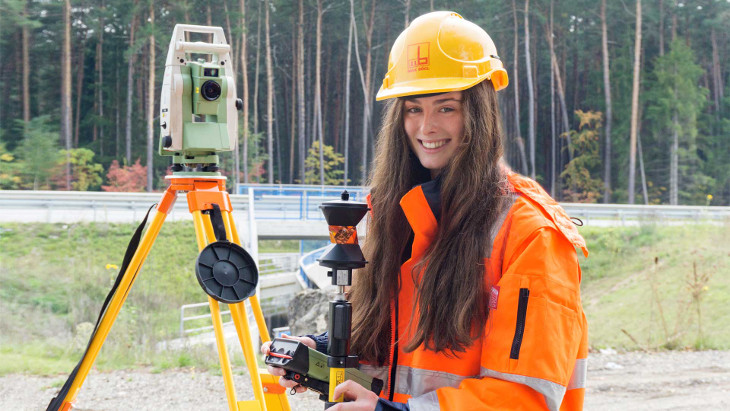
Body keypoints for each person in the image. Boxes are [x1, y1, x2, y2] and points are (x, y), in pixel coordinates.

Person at [262, 11, 588, 411]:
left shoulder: (532, 234)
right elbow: (406, 354)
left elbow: (525, 396)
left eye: (446, 107)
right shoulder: (401, 213)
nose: (426, 126)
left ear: (480, 110)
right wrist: (326, 353)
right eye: (413, 108)